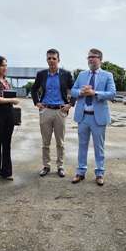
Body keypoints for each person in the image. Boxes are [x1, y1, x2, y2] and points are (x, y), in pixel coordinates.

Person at [70, 48, 116, 186]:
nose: (91, 59)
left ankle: (100, 173)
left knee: (99, 147)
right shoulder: (82, 75)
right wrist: (81, 92)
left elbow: (112, 93)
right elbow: (73, 91)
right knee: (82, 145)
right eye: (89, 57)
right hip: (83, 116)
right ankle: (80, 172)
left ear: (100, 59)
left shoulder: (108, 75)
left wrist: (94, 93)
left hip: (98, 118)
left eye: (94, 57)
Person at [31, 48, 74, 177]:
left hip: (60, 112)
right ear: (46, 60)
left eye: (54, 58)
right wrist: (37, 102)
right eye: (49, 58)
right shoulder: (42, 74)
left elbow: (74, 90)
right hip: (46, 111)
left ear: (58, 60)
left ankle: (60, 166)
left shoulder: (66, 74)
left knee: (60, 142)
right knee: (45, 142)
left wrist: (70, 104)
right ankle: (46, 166)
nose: (51, 61)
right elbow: (34, 89)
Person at [0, 56, 21, 180]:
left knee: (7, 143)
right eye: (2, 65)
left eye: (6, 65)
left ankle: (6, 172)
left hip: (8, 114)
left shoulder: (6, 81)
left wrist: (10, 100)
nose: (5, 68)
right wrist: (11, 99)